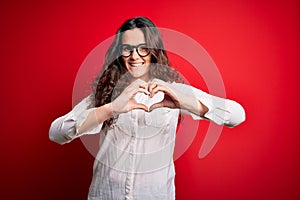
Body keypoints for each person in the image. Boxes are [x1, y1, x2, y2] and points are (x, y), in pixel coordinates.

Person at [49, 16, 245, 200]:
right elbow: (56, 133)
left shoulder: (173, 90)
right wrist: (112, 108)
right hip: (107, 194)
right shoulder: (106, 93)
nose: (135, 56)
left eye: (143, 48)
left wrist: (183, 101)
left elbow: (237, 115)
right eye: (127, 48)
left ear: (153, 50)